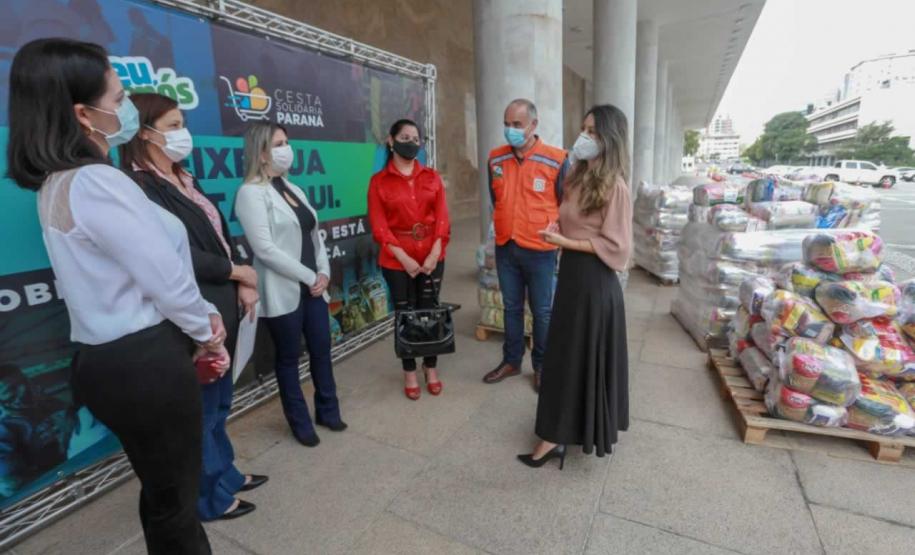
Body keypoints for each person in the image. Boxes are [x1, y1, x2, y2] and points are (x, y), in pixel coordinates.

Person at [7, 38, 229, 554]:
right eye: (118, 98)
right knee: (176, 502)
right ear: (83, 114)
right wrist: (207, 332)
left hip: (110, 363)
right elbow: (166, 278)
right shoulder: (96, 183)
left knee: (162, 492)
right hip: (144, 361)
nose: (125, 108)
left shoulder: (59, 184)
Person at [120, 93, 267, 522]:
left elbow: (219, 232)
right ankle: (208, 498)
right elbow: (173, 254)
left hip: (224, 299)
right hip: (192, 308)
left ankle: (225, 473)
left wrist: (240, 275)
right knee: (200, 411)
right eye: (172, 125)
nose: (182, 133)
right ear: (145, 132)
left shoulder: (183, 176)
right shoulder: (137, 185)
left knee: (220, 404)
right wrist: (237, 273)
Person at [518, 105, 632, 469]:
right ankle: (562, 431)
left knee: (573, 358)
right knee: (565, 357)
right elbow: (571, 221)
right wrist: (558, 226)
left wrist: (564, 242)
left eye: (593, 132)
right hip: (570, 277)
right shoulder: (577, 176)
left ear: (609, 139)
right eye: (584, 129)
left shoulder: (616, 187)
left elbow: (617, 248)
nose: (584, 137)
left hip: (594, 283)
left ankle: (554, 438)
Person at [235, 122, 346, 447]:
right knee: (288, 358)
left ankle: (328, 410)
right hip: (284, 289)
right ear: (262, 153)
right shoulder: (250, 193)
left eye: (287, 141)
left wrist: (323, 272)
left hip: (313, 286)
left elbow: (314, 236)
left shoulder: (293, 188)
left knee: (322, 350)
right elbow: (265, 249)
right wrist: (310, 276)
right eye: (279, 144)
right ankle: (300, 423)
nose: (287, 149)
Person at [482, 99, 569, 392]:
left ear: (533, 125)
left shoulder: (556, 159)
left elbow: (566, 204)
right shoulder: (495, 159)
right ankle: (511, 360)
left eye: (517, 125)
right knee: (511, 307)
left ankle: (542, 366)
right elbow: (497, 200)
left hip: (541, 250)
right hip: (507, 245)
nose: (510, 130)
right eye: (506, 124)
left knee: (542, 311)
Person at [367, 119, 451, 400]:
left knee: (429, 310)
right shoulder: (378, 182)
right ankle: (409, 371)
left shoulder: (431, 177)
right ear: (391, 141)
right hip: (396, 258)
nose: (411, 142)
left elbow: (442, 217)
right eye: (405, 137)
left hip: (431, 253)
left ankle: (431, 367)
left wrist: (436, 250)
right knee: (405, 314)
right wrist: (403, 257)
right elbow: (379, 226)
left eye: (416, 138)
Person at [0, 364, 75, 499]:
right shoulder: (4, 430)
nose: (24, 390)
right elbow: (11, 485)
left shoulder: (47, 403)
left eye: (24, 382)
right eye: (11, 390)